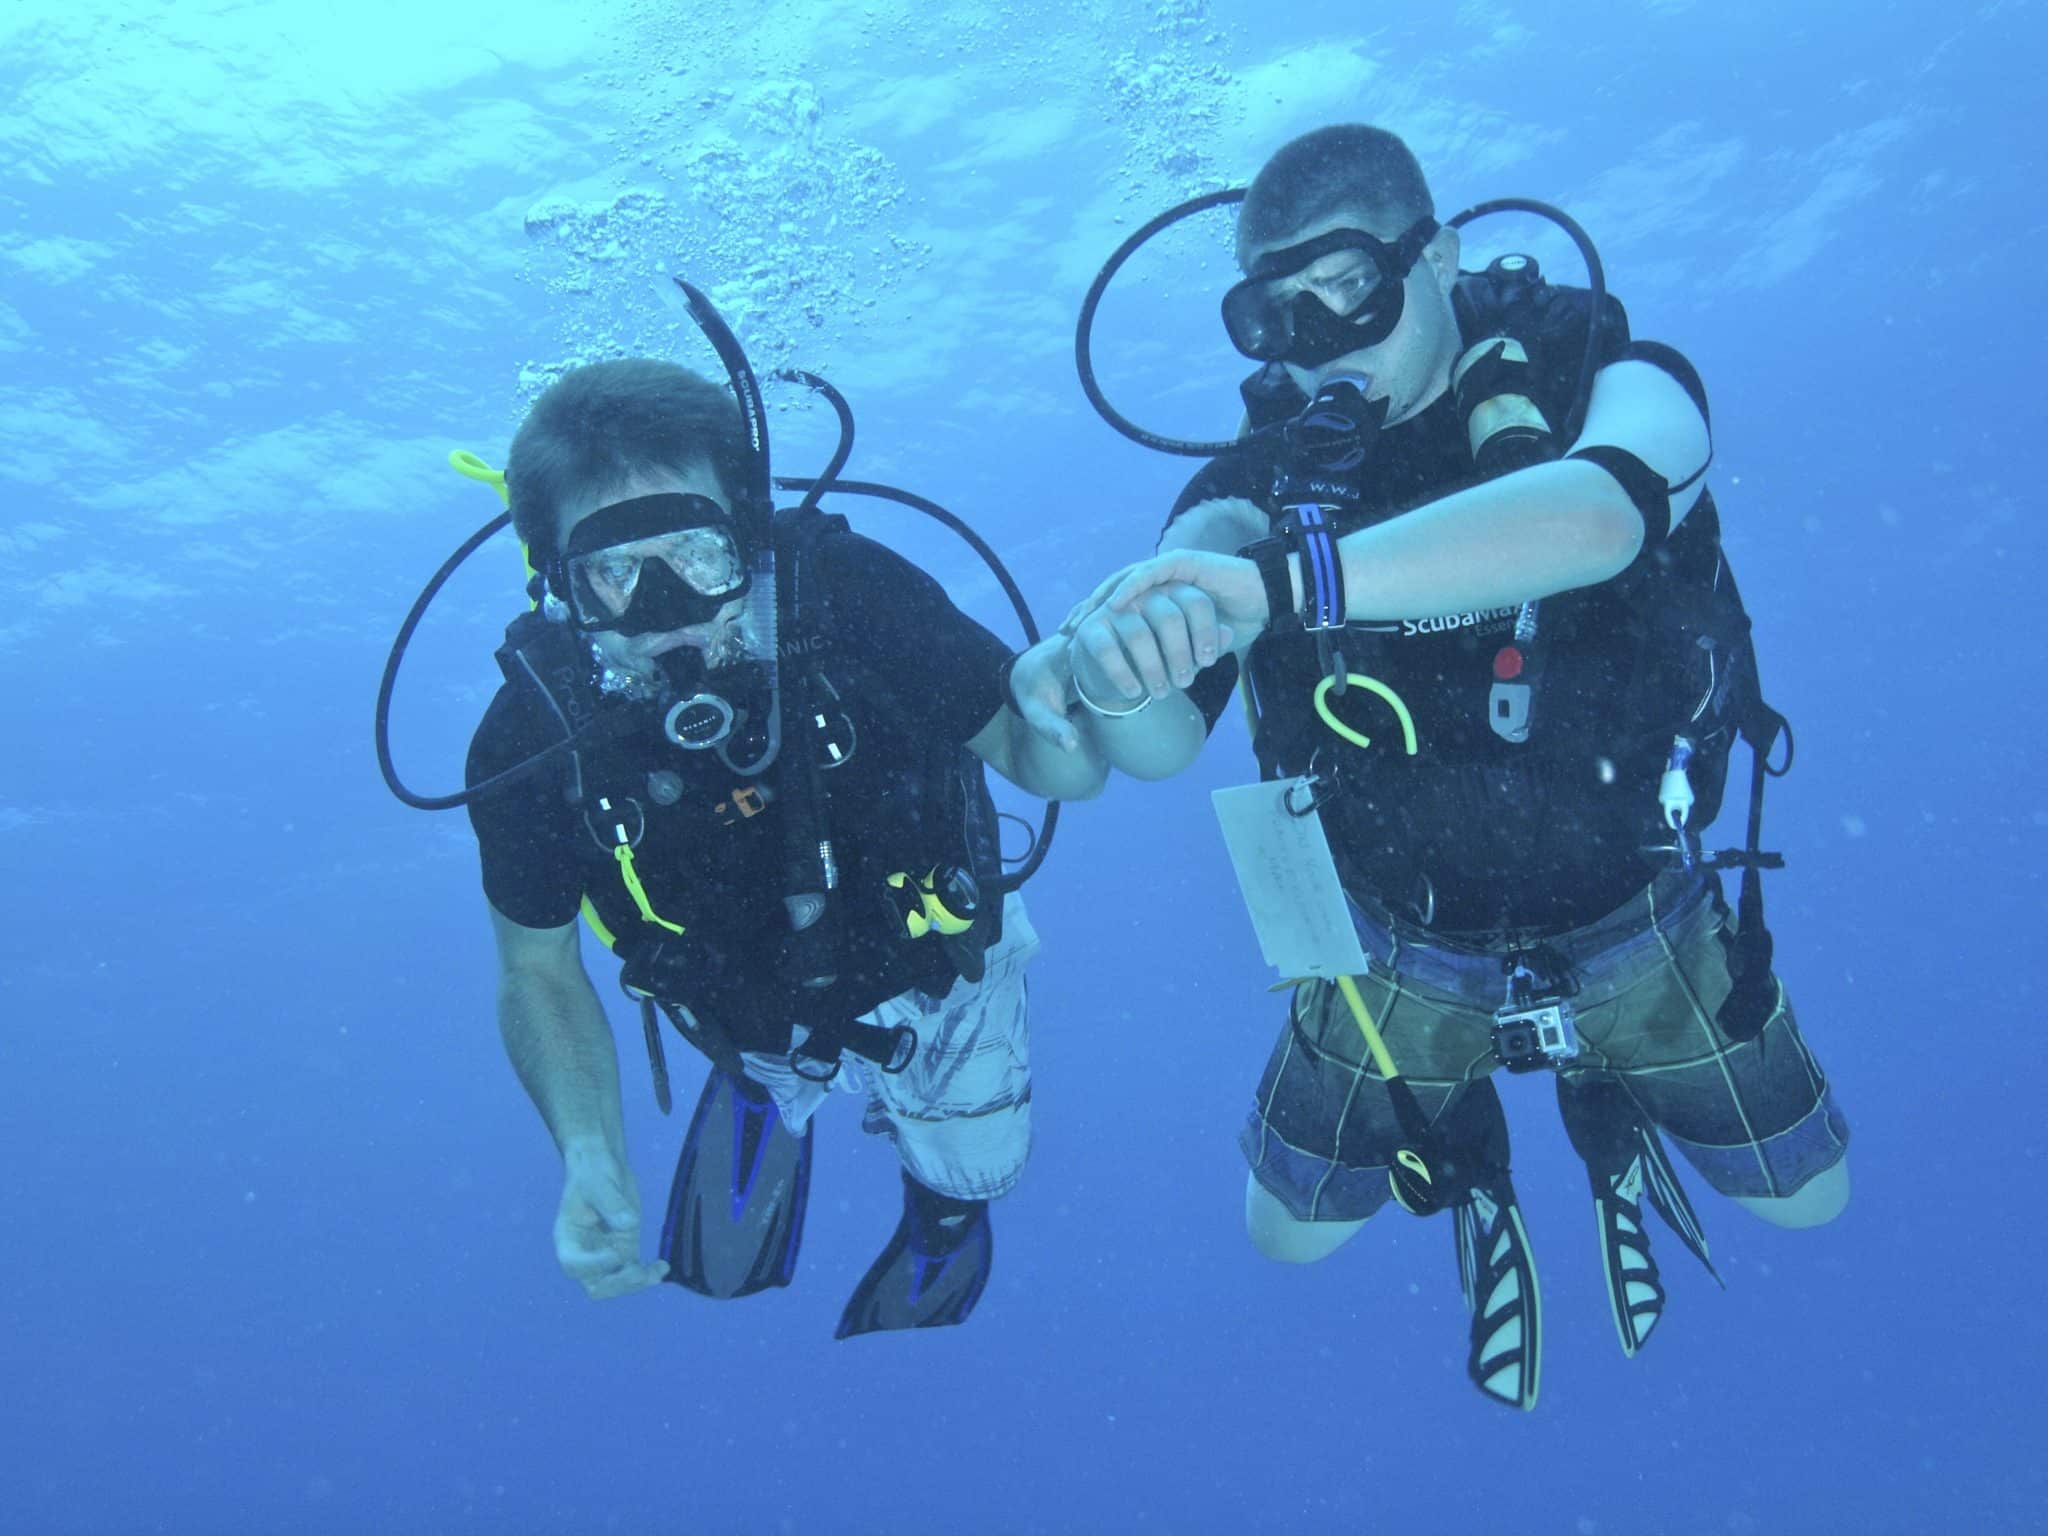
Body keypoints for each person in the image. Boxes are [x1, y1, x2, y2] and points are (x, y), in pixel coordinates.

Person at [1055, 124, 1850, 1407]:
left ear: (1438, 255)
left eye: (1346, 290)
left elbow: (1596, 515)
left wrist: (1287, 583)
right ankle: (1471, 1154)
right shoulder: (1252, 490)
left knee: (1812, 1199)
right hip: (1390, 950)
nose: (1319, 341)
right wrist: (1103, 672)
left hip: (1637, 913)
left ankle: (1603, 1104)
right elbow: (1153, 745)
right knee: (1287, 1231)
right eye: (1273, 315)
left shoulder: (1609, 368)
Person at [462, 317, 1107, 1337]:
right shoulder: (534, 741)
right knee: (759, 1049)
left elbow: (1041, 760)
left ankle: (939, 1217)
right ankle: (766, 1084)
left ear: (749, 534)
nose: (665, 607)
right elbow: (536, 969)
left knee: (980, 1170)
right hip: (734, 1005)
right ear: (556, 580)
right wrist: (587, 1148)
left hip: (941, 975)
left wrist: (1082, 707)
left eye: (695, 552)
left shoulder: (850, 599)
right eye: (615, 572)